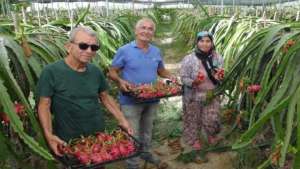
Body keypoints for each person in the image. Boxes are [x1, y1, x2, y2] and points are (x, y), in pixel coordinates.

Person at [36, 26, 132, 159]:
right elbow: (44, 105)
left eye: (94, 47)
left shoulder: (95, 71)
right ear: (68, 47)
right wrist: (49, 135)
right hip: (69, 141)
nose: (89, 51)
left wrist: (122, 119)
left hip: (98, 138)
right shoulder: (51, 72)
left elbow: (105, 97)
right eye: (83, 46)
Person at [108, 18, 173, 169]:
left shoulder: (156, 51)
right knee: (133, 133)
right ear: (136, 31)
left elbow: (161, 70)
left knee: (147, 130)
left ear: (153, 33)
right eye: (143, 28)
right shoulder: (124, 50)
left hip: (152, 99)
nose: (146, 31)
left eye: (150, 29)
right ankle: (133, 164)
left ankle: (145, 152)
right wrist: (120, 82)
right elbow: (112, 72)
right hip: (130, 100)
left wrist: (172, 76)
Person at [180, 31, 224, 151]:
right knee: (193, 118)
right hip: (193, 94)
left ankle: (211, 135)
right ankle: (194, 139)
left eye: (208, 41)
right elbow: (183, 77)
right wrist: (194, 82)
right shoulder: (189, 59)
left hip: (211, 93)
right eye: (202, 41)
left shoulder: (217, 57)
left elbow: (220, 74)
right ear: (197, 42)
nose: (205, 44)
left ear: (212, 42)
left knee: (212, 118)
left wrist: (219, 77)